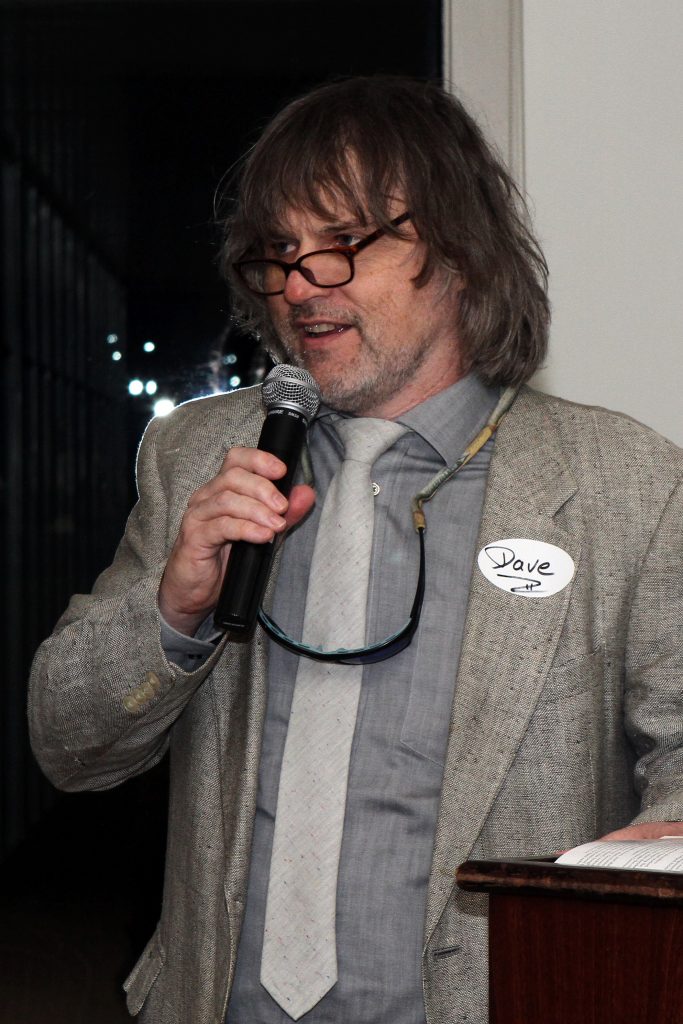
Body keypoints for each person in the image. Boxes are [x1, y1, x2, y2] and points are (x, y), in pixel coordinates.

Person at [29, 76, 683, 1024]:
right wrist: (173, 610)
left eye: (340, 242)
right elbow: (67, 744)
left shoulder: (625, 481)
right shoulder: (197, 455)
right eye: (279, 253)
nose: (300, 285)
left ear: (458, 249)